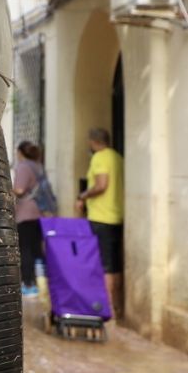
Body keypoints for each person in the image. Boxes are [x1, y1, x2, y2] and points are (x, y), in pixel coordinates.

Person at [77, 127, 124, 318]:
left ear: (93, 141)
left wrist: (83, 196)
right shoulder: (118, 158)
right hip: (116, 216)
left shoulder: (99, 157)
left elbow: (102, 185)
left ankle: (108, 307)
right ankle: (118, 305)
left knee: (103, 264)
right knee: (114, 264)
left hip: (100, 217)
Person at [11, 140, 54, 295]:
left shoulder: (23, 167)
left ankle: (28, 283)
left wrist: (9, 190)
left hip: (25, 213)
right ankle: (42, 282)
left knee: (25, 249)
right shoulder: (38, 166)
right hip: (39, 213)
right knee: (37, 249)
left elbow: (20, 189)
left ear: (21, 153)